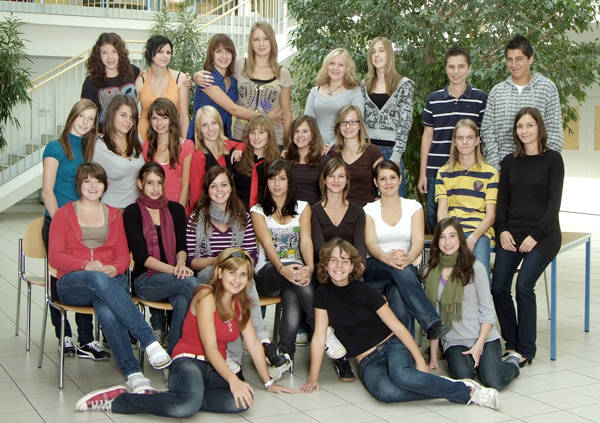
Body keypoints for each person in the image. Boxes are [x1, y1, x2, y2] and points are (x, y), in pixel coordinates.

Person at [75, 248, 297, 416]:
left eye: (243, 275)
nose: (237, 280)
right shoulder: (206, 296)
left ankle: (179, 396)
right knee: (186, 407)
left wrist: (268, 383)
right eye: (232, 272)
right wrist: (233, 379)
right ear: (220, 272)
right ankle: (122, 400)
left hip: (215, 367)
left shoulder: (241, 303)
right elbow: (210, 347)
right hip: (188, 361)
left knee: (242, 401)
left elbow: (254, 343)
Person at [299, 238, 500, 409]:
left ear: (352, 266)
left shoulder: (366, 290)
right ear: (325, 265)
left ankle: (468, 392)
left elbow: (397, 327)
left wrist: (419, 361)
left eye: (345, 261)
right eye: (333, 260)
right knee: (385, 392)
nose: (339, 266)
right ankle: (446, 386)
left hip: (391, 345)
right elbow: (319, 337)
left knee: (402, 376)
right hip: (367, 361)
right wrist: (313, 378)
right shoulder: (322, 294)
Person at [49, 163, 171, 393]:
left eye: (98, 181)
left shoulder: (114, 215)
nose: (93, 186)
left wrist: (115, 269)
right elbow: (55, 257)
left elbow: (123, 256)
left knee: (105, 307)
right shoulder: (63, 214)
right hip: (73, 283)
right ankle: (149, 341)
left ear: (106, 185)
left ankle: (133, 374)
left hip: (110, 281)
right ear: (78, 184)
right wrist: (85, 265)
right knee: (97, 280)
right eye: (87, 181)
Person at [186, 166, 287, 376]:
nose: (219, 190)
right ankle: (262, 339)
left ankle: (239, 359)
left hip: (238, 271)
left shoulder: (242, 216)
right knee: (236, 282)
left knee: (240, 281)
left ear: (231, 187)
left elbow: (252, 256)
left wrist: (234, 266)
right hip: (209, 273)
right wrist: (223, 261)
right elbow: (193, 261)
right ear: (207, 190)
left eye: (224, 185)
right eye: (214, 186)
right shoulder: (196, 218)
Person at [491, 107, 564, 367]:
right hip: (512, 232)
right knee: (498, 287)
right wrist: (502, 230)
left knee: (523, 286)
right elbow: (502, 202)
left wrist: (535, 236)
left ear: (539, 128)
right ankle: (511, 343)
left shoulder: (553, 160)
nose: (524, 131)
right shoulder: (509, 162)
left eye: (529, 125)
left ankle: (526, 349)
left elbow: (553, 206)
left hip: (544, 235)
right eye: (520, 126)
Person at [41, 99, 107, 359]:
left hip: (84, 225)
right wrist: (63, 225)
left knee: (84, 278)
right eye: (82, 116)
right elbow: (47, 192)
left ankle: (86, 340)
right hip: (58, 223)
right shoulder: (55, 148)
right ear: (73, 116)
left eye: (91, 119)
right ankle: (64, 334)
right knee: (58, 279)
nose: (85, 122)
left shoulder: (90, 150)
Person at [426, 218, 521, 391]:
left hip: (483, 336)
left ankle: (512, 363)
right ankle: (478, 363)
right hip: (454, 340)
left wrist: (479, 345)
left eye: (452, 236)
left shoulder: (475, 268)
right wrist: (433, 355)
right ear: (436, 240)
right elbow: (434, 318)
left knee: (494, 381)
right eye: (442, 237)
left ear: (460, 238)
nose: (447, 242)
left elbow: (487, 311)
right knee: (465, 378)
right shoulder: (430, 271)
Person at [363, 160, 450, 338]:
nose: (388, 182)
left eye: (392, 177)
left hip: (404, 265)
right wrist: (386, 258)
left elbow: (418, 240)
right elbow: (370, 243)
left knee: (397, 290)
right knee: (398, 270)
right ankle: (432, 323)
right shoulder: (369, 209)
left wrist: (409, 257)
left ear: (400, 179)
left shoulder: (413, 207)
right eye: (383, 179)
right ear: (376, 182)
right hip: (376, 267)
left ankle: (403, 350)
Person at [123, 163, 200, 354]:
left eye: (159, 182)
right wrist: (174, 270)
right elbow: (142, 257)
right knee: (193, 285)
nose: (155, 188)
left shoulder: (176, 210)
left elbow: (182, 247)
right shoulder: (132, 212)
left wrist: (180, 263)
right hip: (146, 280)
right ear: (140, 184)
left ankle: (175, 355)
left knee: (182, 301)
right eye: (150, 183)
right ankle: (207, 337)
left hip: (174, 276)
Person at [250, 159, 316, 380]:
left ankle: (286, 355)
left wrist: (310, 267)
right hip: (268, 273)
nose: (277, 184)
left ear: (289, 181)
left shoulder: (303, 207)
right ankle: (323, 331)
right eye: (272, 178)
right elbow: (268, 245)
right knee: (294, 276)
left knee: (292, 291)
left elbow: (306, 241)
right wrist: (281, 268)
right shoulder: (258, 210)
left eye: (282, 178)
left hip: (295, 273)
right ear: (266, 182)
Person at [418, 47, 488, 233]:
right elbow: (427, 136)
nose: (456, 71)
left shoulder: (481, 99)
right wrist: (423, 173)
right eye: (451, 67)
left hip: (469, 171)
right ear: (445, 69)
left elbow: (484, 136)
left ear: (469, 68)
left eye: (461, 66)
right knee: (434, 219)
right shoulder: (433, 99)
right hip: (436, 169)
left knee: (468, 217)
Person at [481, 34, 563, 171]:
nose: (514, 64)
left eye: (519, 59)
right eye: (509, 59)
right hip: (503, 168)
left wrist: (543, 166)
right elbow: (487, 131)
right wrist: (496, 167)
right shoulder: (497, 92)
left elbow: (555, 133)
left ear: (530, 59)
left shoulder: (546, 88)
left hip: (538, 168)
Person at [188, 34, 283, 142]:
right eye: (219, 51)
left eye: (228, 51)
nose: (224, 56)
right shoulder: (207, 78)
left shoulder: (232, 81)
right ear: (211, 55)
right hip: (201, 138)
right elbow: (234, 109)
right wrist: (267, 117)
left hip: (223, 138)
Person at [436, 119, 498, 282]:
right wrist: (448, 236)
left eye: (469, 137)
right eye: (460, 138)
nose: (465, 142)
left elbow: (491, 215)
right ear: (454, 142)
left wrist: (473, 238)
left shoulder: (490, 173)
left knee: (480, 275)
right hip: (453, 230)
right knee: (448, 278)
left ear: (477, 141)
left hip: (479, 232)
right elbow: (442, 210)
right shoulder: (443, 172)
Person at [361, 36, 414, 197]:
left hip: (391, 151)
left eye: (381, 51)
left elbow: (405, 123)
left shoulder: (403, 84)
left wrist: (396, 155)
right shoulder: (364, 85)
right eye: (373, 51)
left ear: (389, 54)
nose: (377, 55)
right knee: (368, 202)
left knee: (396, 202)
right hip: (367, 150)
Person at [231, 22, 292, 146]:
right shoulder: (239, 65)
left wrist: (288, 145)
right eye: (256, 39)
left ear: (272, 41)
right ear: (251, 42)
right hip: (241, 138)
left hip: (273, 140)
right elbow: (217, 75)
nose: (261, 44)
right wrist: (196, 76)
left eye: (266, 38)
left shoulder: (282, 72)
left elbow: (286, 112)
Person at [93, 94, 144, 210]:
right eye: (123, 115)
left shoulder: (137, 139)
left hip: (135, 210)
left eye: (132, 117)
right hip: (109, 210)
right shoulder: (98, 147)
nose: (128, 121)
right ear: (112, 114)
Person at [81, 33, 140, 132]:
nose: (110, 57)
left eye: (114, 51)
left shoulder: (132, 71)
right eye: (104, 52)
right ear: (99, 55)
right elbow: (83, 113)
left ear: (120, 53)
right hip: (101, 136)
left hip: (128, 133)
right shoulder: (91, 81)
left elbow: (147, 80)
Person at [136, 35, 190, 142]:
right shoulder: (140, 81)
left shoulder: (181, 79)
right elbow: (130, 113)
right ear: (150, 53)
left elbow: (184, 116)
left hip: (170, 137)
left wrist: (184, 142)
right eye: (160, 52)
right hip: (143, 137)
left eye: (168, 52)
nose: (165, 56)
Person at [304, 48, 364, 144]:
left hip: (342, 147)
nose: (335, 68)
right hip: (315, 147)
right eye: (332, 63)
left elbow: (356, 124)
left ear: (347, 68)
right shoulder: (315, 91)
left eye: (341, 65)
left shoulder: (354, 91)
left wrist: (332, 146)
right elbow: (307, 124)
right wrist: (317, 146)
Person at [189, 106, 243, 210]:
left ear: (220, 124)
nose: (211, 128)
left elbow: (244, 145)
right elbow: (196, 194)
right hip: (209, 210)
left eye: (214, 123)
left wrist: (239, 149)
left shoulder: (226, 145)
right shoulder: (199, 156)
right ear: (199, 129)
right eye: (205, 125)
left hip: (230, 206)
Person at [143, 98, 194, 207]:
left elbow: (186, 185)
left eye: (164, 117)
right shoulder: (146, 147)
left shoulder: (186, 146)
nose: (159, 122)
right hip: (152, 208)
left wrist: (179, 212)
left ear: (172, 119)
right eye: (155, 118)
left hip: (176, 207)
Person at [328, 105, 383, 207]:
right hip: (340, 210)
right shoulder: (331, 153)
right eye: (344, 122)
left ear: (360, 125)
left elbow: (384, 180)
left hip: (367, 209)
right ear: (338, 126)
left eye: (352, 122)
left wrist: (383, 199)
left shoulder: (373, 152)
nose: (348, 126)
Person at [233, 115, 280, 210]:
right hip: (240, 211)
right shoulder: (238, 158)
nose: (256, 137)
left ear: (269, 135)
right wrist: (240, 146)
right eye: (252, 132)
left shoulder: (277, 163)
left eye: (261, 132)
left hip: (266, 211)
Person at [283, 115, 330, 205]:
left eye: (305, 131)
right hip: (290, 210)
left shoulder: (324, 160)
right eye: (296, 131)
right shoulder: (285, 160)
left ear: (313, 134)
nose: (300, 135)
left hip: (316, 210)